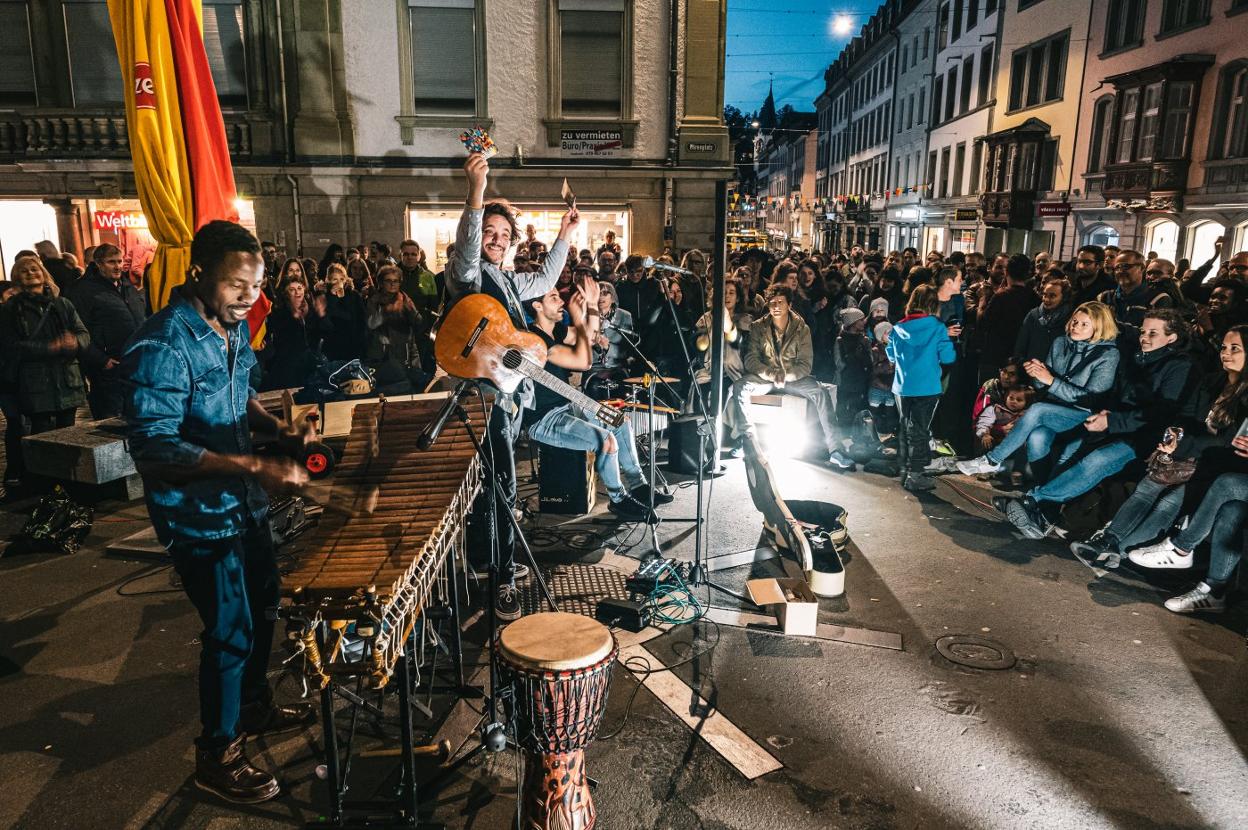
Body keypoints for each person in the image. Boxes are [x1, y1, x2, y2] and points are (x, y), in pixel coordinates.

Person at [121, 220, 316, 804]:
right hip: (196, 516)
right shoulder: (161, 344)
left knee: (263, 603)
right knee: (230, 630)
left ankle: (251, 708)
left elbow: (237, 393)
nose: (248, 298)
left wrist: (276, 429)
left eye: (256, 287)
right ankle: (217, 754)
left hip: (243, 504)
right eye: (237, 286)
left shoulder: (228, 328)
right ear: (198, 273)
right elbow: (154, 447)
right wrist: (253, 468)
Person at [446, 151, 578, 622]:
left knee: (498, 484)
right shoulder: (468, 274)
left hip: (508, 396)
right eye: (491, 234)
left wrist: (564, 235)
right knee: (501, 484)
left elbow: (544, 278)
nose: (497, 241)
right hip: (483, 401)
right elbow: (465, 253)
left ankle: (487, 558)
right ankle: (501, 577)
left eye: (504, 235)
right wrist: (476, 194)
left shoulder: (503, 276)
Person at [996, 310, 1198, 539]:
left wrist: (1111, 420)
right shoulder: (1135, 357)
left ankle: (1034, 500)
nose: (1145, 337)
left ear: (1171, 338)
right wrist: (1105, 413)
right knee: (1069, 453)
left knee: (1096, 460)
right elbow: (1117, 394)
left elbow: (1159, 413)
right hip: (1112, 425)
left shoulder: (1179, 366)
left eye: (1154, 333)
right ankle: (1043, 516)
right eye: (1143, 331)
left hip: (1143, 437)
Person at [1072, 325, 1248, 570]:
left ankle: (1118, 552)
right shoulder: (1213, 380)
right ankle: (1108, 540)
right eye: (1223, 347)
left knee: (1170, 502)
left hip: (1215, 464)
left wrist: (1183, 445)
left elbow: (1229, 443)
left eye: (1235, 348)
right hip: (1187, 451)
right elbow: (1186, 414)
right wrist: (1174, 436)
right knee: (1148, 486)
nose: (1225, 353)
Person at [524, 278, 665, 521]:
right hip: (545, 419)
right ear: (537, 306)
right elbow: (584, 361)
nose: (561, 301)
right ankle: (618, 499)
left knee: (619, 421)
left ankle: (639, 486)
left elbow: (588, 338)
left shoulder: (555, 330)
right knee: (607, 440)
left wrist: (590, 307)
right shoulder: (536, 343)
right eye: (553, 298)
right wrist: (578, 317)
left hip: (567, 404)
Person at [959, 303, 1120, 479]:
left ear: (1098, 327)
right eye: (1074, 321)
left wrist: (1050, 380)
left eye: (1084, 324)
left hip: (1083, 416)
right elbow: (1041, 386)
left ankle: (992, 460)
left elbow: (1091, 400)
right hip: (1053, 411)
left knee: (1038, 409)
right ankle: (1040, 488)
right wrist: (1036, 373)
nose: (1075, 326)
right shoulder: (1060, 342)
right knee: (1037, 437)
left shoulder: (1108, 354)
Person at [728, 283, 840, 464]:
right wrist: (770, 373)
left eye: (781, 302)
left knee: (821, 392)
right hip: (766, 377)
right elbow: (751, 359)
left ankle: (836, 449)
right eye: (772, 303)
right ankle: (747, 442)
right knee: (740, 386)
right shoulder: (758, 327)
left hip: (793, 378)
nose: (776, 306)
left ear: (789, 304)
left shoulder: (802, 329)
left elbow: (805, 364)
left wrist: (786, 375)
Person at [0, 254, 90, 438]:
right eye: (24, 271)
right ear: (17, 278)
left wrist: (75, 342)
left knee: (69, 433)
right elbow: (11, 346)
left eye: (34, 269)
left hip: (67, 382)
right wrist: (50, 347)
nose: (30, 273)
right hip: (36, 385)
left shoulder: (63, 304)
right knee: (42, 435)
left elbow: (83, 333)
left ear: (43, 274)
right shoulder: (11, 309)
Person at [886, 285, 957, 490]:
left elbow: (891, 356)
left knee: (906, 427)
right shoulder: (937, 327)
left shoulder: (898, 327)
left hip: (902, 386)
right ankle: (915, 474)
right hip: (927, 386)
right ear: (933, 305)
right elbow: (948, 357)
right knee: (920, 430)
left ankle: (906, 467)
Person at [68, 244, 148, 419]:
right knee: (110, 420)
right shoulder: (84, 290)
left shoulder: (127, 286)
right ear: (98, 264)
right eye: (111, 262)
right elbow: (79, 329)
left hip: (135, 365)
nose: (118, 266)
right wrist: (101, 360)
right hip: (107, 368)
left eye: (119, 261)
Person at [976, 254, 1039, 384]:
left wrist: (983, 298)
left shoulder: (1001, 296)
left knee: (989, 396)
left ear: (1006, 271)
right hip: (1021, 359)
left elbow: (982, 323)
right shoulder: (1035, 298)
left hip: (995, 358)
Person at [260, 278, 328, 391]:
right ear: (286, 294)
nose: (297, 292)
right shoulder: (279, 313)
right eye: (292, 290)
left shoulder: (311, 311)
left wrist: (321, 315)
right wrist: (294, 318)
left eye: (299, 288)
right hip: (287, 370)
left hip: (310, 367)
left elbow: (325, 333)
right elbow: (280, 343)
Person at [365, 264, 424, 391]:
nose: (392, 284)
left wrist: (410, 311)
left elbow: (418, 322)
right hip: (382, 353)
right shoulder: (374, 300)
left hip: (405, 351)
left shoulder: (404, 299)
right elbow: (371, 324)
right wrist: (386, 311)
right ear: (381, 282)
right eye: (388, 281)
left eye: (396, 281)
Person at [1014, 278, 1072, 364]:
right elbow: (1020, 346)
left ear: (1064, 298)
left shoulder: (1070, 320)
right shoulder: (1034, 315)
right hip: (1029, 369)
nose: (1046, 299)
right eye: (1045, 295)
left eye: (1052, 296)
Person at [320, 263, 368, 361]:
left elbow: (361, 320)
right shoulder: (324, 297)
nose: (339, 283)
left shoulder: (354, 295)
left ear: (346, 279)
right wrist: (333, 297)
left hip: (352, 345)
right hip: (332, 346)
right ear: (328, 280)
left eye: (341, 279)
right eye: (335, 279)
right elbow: (324, 321)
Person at [975, 385, 1035, 451]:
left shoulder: (1028, 414)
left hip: (1015, 443)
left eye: (1019, 400)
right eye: (1011, 398)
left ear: (1026, 403)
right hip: (996, 440)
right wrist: (984, 434)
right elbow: (984, 422)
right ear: (1006, 397)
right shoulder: (995, 409)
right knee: (985, 442)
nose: (1014, 401)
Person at [398, 239, 439, 314]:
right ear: (400, 256)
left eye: (413, 254)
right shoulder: (392, 274)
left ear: (419, 256)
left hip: (420, 322)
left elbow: (433, 304)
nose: (410, 257)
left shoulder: (427, 277)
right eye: (406, 254)